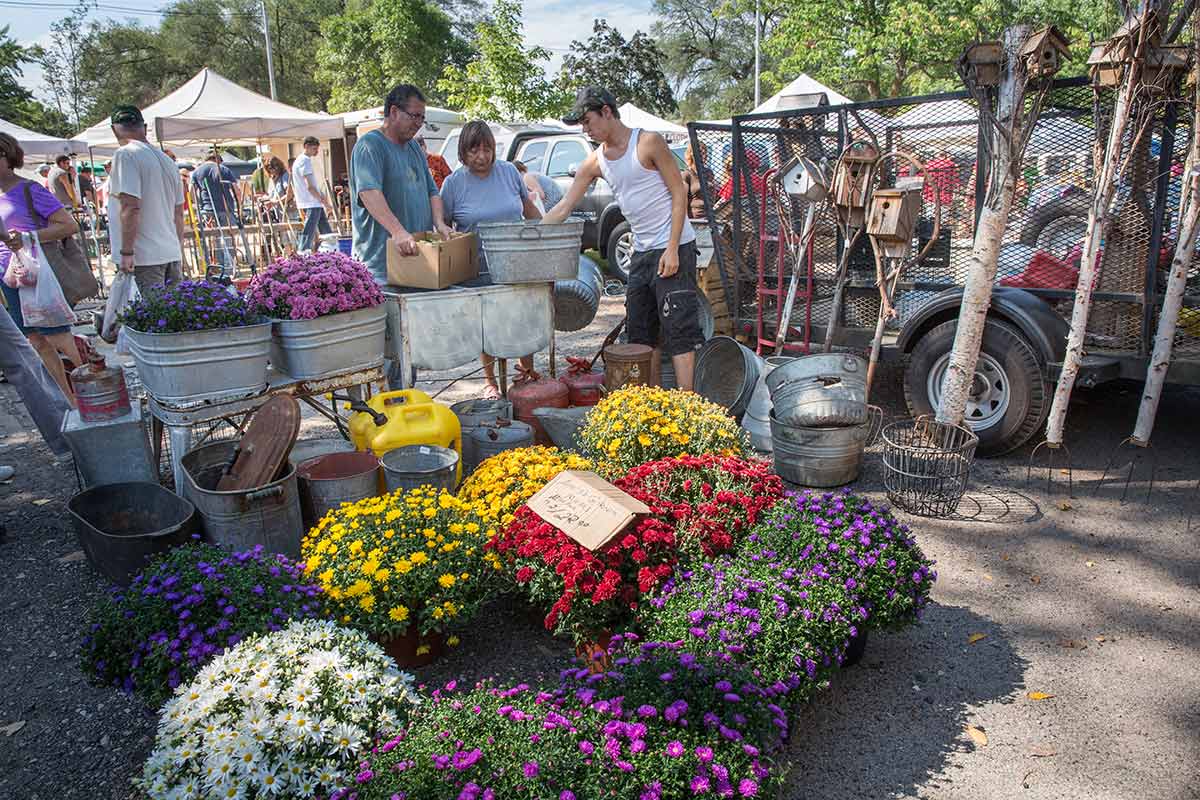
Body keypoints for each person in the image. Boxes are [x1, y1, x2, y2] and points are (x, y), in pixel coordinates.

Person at [544, 87, 702, 391]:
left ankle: (688, 408)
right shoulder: (596, 161)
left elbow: (679, 192)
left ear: (606, 111)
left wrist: (672, 251)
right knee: (642, 335)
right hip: (641, 252)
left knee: (679, 331)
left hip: (674, 246)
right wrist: (532, 232)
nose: (586, 130)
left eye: (588, 122)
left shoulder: (647, 142)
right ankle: (655, 403)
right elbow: (564, 206)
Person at [440, 121, 542, 397]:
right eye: (474, 150)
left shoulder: (509, 172)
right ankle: (490, 382)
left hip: (517, 263)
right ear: (463, 152)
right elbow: (443, 226)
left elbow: (529, 209)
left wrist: (546, 237)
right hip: (478, 268)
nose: (482, 157)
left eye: (487, 149)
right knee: (486, 328)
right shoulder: (453, 184)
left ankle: (526, 373)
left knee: (522, 321)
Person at [0, 131, 83, 405]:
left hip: (37, 276)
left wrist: (27, 238)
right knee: (37, 342)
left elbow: (69, 225)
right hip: (10, 278)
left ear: (7, 156)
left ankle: (92, 393)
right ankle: (69, 401)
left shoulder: (29, 189)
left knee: (60, 338)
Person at [106, 105, 186, 296]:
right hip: (170, 252)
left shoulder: (125, 154)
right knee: (173, 318)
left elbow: (130, 207)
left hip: (143, 257)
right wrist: (177, 249)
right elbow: (178, 213)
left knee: (149, 320)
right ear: (144, 126)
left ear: (114, 129)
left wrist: (126, 252)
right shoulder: (167, 160)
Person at [292, 136, 333, 252]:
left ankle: (332, 251)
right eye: (314, 149)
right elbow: (310, 186)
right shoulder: (304, 161)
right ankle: (302, 253)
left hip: (312, 202)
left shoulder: (300, 161)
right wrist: (324, 201)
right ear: (306, 147)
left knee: (326, 232)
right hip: (311, 202)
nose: (317, 151)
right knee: (308, 232)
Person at [190, 150, 239, 228]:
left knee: (212, 236)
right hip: (225, 209)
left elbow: (191, 192)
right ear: (218, 160)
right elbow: (236, 190)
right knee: (228, 235)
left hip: (207, 209)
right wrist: (238, 204)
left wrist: (199, 204)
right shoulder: (224, 169)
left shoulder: (196, 172)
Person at [682, 141, 710, 220]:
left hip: (710, 216)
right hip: (696, 217)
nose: (704, 156)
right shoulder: (687, 175)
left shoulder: (709, 173)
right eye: (701, 153)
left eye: (705, 153)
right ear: (691, 154)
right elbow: (682, 201)